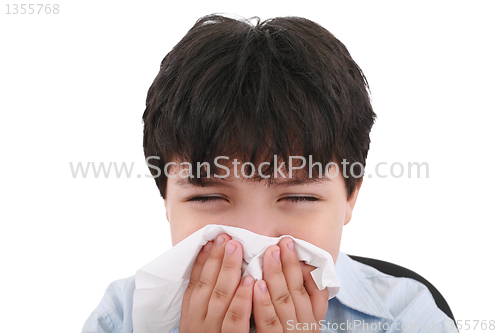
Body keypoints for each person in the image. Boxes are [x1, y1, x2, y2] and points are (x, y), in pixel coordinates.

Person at [82, 14, 458, 333]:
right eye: (208, 197)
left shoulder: (407, 317)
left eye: (299, 197)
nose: (256, 237)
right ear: (166, 199)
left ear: (350, 195)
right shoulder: (121, 318)